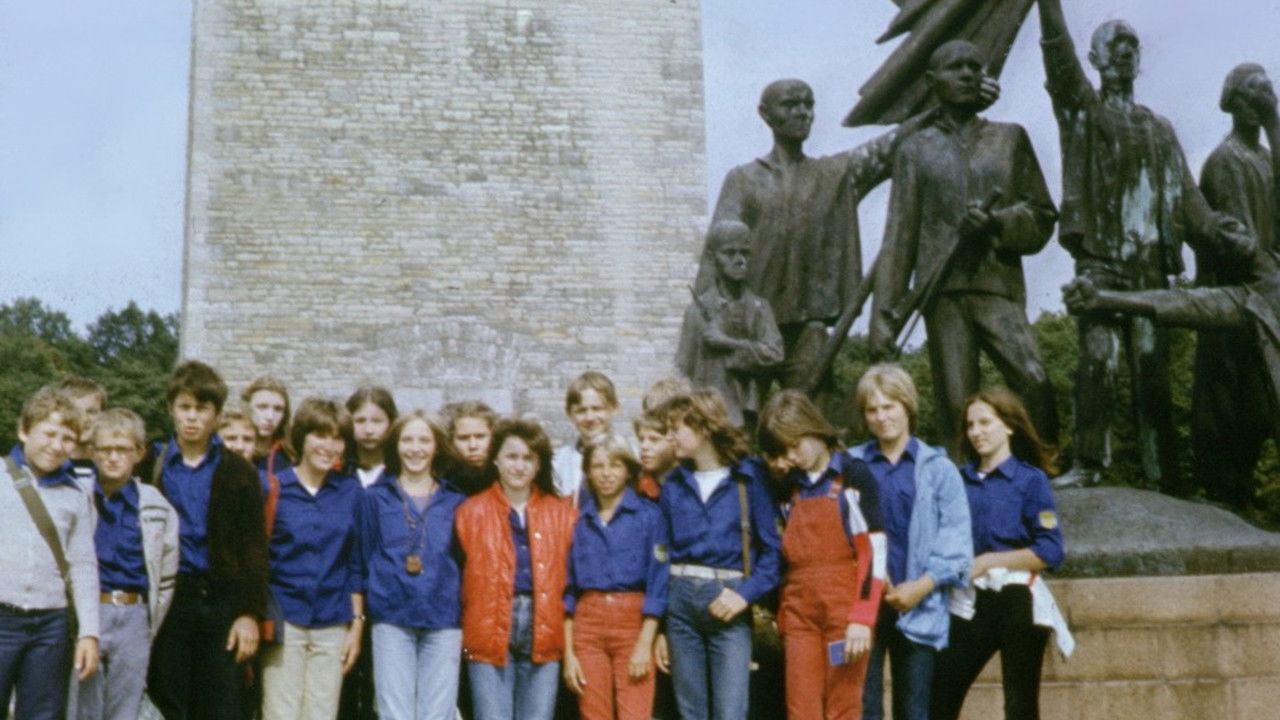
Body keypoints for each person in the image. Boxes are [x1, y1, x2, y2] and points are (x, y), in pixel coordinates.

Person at [1034, 0, 1244, 489]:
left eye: (1133, 45)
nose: (1126, 52)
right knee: (1097, 366)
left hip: (1151, 267)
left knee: (1153, 377)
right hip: (1101, 264)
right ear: (1095, 58)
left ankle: (1163, 474)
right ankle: (1090, 464)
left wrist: (1217, 230)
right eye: (1115, 44)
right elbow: (1058, 58)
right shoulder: (1083, 111)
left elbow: (1188, 201)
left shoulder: (1160, 129)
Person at [698, 78, 969, 390]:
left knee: (813, 424)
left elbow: (886, 148)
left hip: (808, 329)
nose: (802, 112)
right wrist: (707, 322)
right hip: (751, 328)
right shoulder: (743, 179)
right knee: (739, 423)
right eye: (790, 105)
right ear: (766, 114)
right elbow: (714, 253)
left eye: (808, 104)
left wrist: (942, 108)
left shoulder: (833, 174)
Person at [867, 40, 1059, 457]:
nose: (970, 74)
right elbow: (900, 237)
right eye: (957, 68)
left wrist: (997, 223)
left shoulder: (1009, 139)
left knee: (1035, 379)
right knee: (956, 402)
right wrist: (883, 318)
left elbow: (1042, 214)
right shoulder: (915, 150)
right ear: (933, 82)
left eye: (976, 66)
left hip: (997, 286)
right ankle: (962, 488)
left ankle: (1046, 472)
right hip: (943, 294)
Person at [930, 387, 1066, 720]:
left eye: (985, 422)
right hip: (970, 601)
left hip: (1019, 599)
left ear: (1008, 426)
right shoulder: (956, 481)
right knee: (940, 696)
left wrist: (990, 561)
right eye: (970, 425)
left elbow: (1051, 549)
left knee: (1020, 706)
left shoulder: (1031, 481)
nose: (976, 432)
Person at [846, 365, 971, 720]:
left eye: (890, 406)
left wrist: (922, 585)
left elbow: (956, 539)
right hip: (865, 604)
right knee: (864, 707)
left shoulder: (938, 468)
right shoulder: (851, 464)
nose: (882, 417)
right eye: (873, 409)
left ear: (908, 407)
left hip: (918, 603)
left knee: (915, 710)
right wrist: (871, 576)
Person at [147, 360, 267, 720]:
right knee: (170, 700)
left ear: (216, 414)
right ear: (171, 410)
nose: (192, 418)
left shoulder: (237, 470)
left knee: (220, 705)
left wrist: (249, 613)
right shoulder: (154, 467)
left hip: (222, 602)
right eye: (185, 408)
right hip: (173, 599)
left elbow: (254, 549)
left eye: (202, 409)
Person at [756, 390, 884, 720]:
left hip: (844, 610)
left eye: (795, 446)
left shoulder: (854, 476)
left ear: (813, 430)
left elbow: (874, 552)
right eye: (783, 450)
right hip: (799, 612)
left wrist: (862, 617)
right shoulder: (786, 487)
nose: (791, 457)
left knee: (843, 706)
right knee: (801, 707)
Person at [657, 390, 782, 720]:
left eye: (676, 429)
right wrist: (659, 626)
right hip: (680, 603)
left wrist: (744, 596)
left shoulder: (748, 479)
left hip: (729, 601)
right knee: (690, 711)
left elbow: (772, 554)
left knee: (731, 711)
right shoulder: (673, 484)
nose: (670, 438)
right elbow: (660, 557)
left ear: (702, 427)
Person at [1193, 64, 1280, 508]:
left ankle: (1237, 491)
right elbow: (1243, 245)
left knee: (1259, 407)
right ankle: (1226, 492)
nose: (1263, 96)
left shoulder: (1266, 157)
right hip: (1232, 298)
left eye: (1269, 89)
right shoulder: (1226, 161)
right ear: (1234, 101)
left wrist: (1275, 125)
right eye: (1254, 90)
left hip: (1262, 299)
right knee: (1228, 403)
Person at [455, 419, 577, 720]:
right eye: (511, 456)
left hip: (544, 625)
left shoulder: (563, 514)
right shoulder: (469, 512)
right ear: (495, 459)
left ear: (538, 465)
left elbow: (572, 581)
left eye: (528, 458)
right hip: (486, 628)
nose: (519, 466)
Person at [356, 411, 467, 720]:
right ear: (395, 446)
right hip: (391, 616)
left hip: (443, 618)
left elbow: (462, 561)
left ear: (436, 448)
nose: (415, 448)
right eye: (407, 440)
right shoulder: (375, 499)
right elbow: (363, 559)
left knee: (438, 713)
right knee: (395, 712)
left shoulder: (456, 502)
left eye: (424, 440)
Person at [260, 398, 365, 720]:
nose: (328, 446)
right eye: (320, 435)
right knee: (281, 713)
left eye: (337, 438)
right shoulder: (273, 487)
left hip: (333, 621)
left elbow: (355, 564)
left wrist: (356, 628)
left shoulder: (350, 491)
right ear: (302, 437)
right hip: (284, 620)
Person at [73, 408, 179, 720]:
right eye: (105, 450)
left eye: (123, 450)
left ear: (139, 453)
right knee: (83, 705)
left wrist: (148, 623)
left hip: (134, 614)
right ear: (93, 453)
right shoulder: (78, 498)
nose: (114, 458)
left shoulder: (156, 506)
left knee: (125, 707)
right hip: (90, 611)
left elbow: (166, 576)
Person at [0, 386, 99, 720]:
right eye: (50, 434)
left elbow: (84, 565)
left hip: (50, 625)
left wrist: (88, 632)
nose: (58, 446)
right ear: (24, 430)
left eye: (68, 438)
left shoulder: (75, 494)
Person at [562, 435, 669, 720]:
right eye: (597, 466)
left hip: (632, 622)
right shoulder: (578, 521)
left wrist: (646, 641)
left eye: (614, 465)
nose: (606, 473)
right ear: (588, 472)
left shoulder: (649, 516)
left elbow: (658, 583)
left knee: (635, 712)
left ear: (628, 470)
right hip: (588, 624)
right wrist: (570, 653)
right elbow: (569, 590)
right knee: (593, 713)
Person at [676, 220, 784, 428]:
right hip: (707, 420)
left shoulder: (760, 308)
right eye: (729, 253)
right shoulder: (697, 311)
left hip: (748, 418)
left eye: (745, 253)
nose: (739, 260)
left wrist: (728, 342)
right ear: (712, 257)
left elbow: (775, 353)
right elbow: (683, 370)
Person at [551, 372, 621, 500]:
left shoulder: (633, 458)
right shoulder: (558, 464)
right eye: (581, 411)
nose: (590, 418)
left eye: (597, 409)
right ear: (569, 413)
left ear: (614, 408)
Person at [55, 375, 107, 483]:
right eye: (76, 411)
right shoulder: (50, 465)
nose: (84, 419)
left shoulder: (109, 467)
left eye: (91, 412)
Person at [345, 386, 399, 490]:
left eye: (377, 421)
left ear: (391, 424)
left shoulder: (400, 473)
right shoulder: (338, 472)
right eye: (360, 421)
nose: (368, 430)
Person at [441, 400, 498, 496]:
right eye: (463, 438)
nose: (473, 446)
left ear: (493, 437)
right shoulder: (441, 482)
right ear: (450, 442)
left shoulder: (506, 477)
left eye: (480, 436)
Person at [243, 376, 292, 473]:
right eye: (262, 407)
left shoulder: (290, 456)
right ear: (248, 409)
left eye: (278, 409)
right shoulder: (233, 450)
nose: (270, 417)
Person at [633, 412, 677, 501]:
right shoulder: (634, 485)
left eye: (654, 439)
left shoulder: (688, 483)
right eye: (641, 439)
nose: (644, 446)